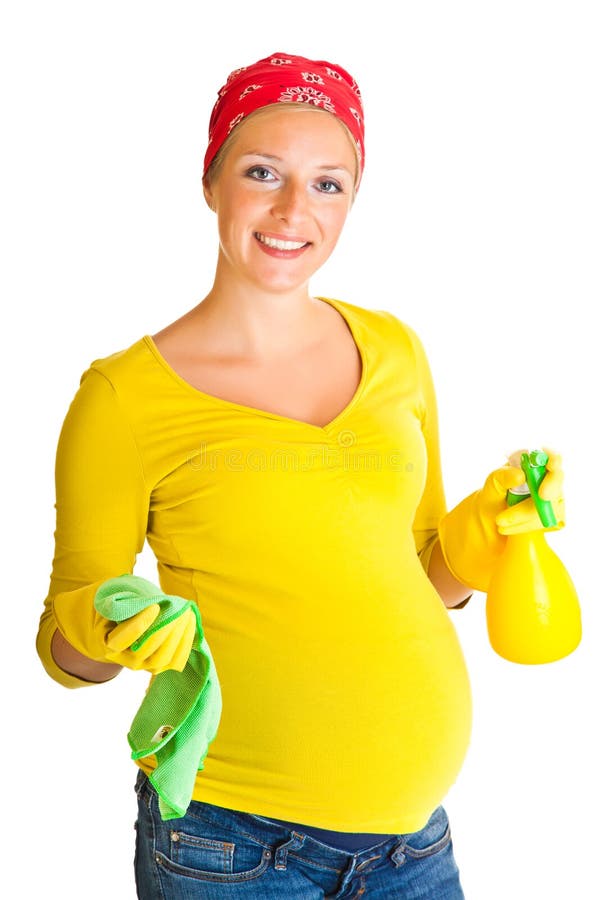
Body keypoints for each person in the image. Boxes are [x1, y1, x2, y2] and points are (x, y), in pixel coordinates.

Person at [36, 51, 565, 899]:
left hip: (413, 843)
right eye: (262, 173)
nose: (293, 210)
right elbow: (64, 654)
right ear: (211, 181)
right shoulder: (123, 397)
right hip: (230, 846)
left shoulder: (394, 349)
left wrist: (482, 534)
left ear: (354, 199)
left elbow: (427, 577)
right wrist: (109, 625)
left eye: (329, 183)